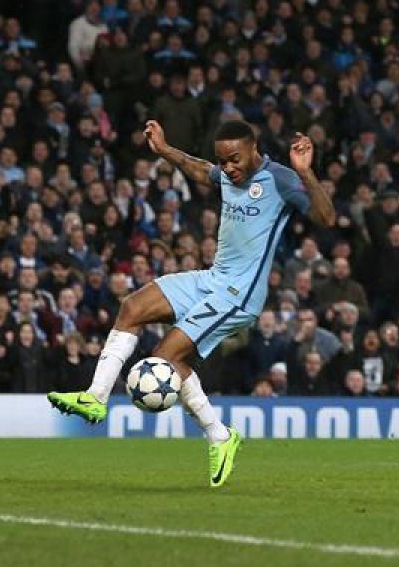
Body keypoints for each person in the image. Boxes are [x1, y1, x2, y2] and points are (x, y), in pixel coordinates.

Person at [47, 120, 335, 487]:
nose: (228, 168)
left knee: (167, 359)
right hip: (212, 279)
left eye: (234, 160)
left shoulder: (280, 180)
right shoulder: (226, 175)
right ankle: (95, 396)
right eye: (223, 161)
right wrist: (166, 151)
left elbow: (326, 217)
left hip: (239, 294)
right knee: (133, 307)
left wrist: (306, 173)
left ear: (253, 148)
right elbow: (202, 170)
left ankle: (218, 434)